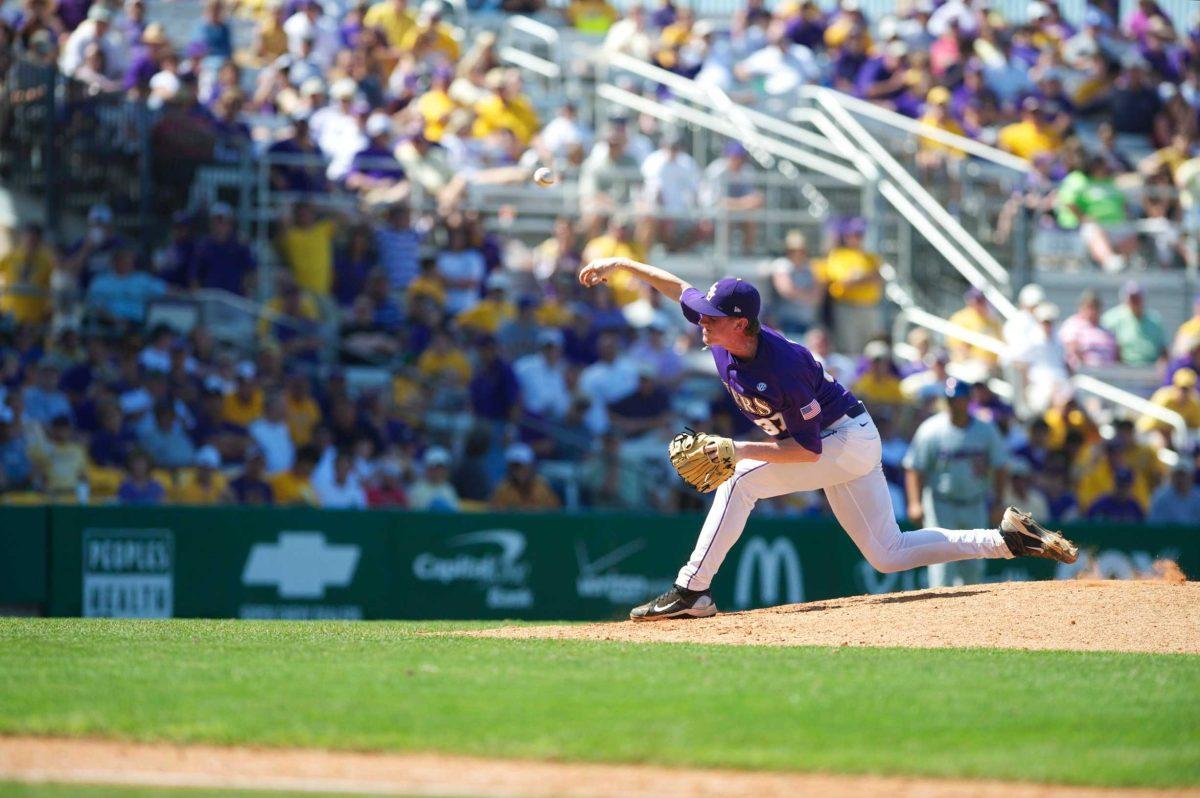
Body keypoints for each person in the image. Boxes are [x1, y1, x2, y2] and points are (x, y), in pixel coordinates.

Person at [578, 257, 1079, 621]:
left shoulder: (783, 366)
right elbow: (680, 288)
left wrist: (736, 449)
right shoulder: (722, 331)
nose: (700, 321)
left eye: (712, 317)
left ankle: (692, 590)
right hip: (846, 439)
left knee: (738, 482)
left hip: (843, 441)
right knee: (888, 553)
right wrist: (622, 264)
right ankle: (1008, 540)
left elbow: (808, 451)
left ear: (740, 323)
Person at [903, 379, 1008, 588]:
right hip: (941, 504)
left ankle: (970, 617)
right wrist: (914, 502)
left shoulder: (985, 429)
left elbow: (1000, 466)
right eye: (952, 400)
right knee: (941, 566)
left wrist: (998, 501)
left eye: (960, 399)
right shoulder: (931, 429)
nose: (956, 404)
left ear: (969, 400)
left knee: (974, 567)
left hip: (975, 502)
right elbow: (914, 467)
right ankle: (940, 616)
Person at [1102, 281, 1167, 366]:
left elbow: (1163, 349)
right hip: (1123, 368)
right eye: (1132, 298)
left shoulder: (1155, 319)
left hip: (1151, 368)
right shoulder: (1112, 318)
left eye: (1137, 298)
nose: (1135, 302)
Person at [489, 443, 560, 510]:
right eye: (513, 467)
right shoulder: (503, 490)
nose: (517, 471)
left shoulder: (542, 488)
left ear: (530, 466)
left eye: (520, 466)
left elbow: (553, 513)